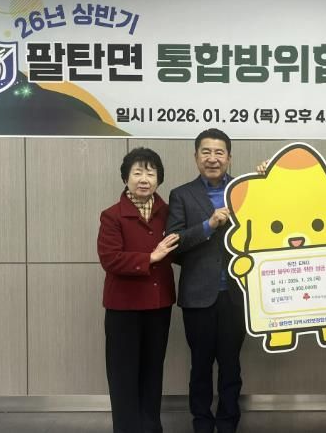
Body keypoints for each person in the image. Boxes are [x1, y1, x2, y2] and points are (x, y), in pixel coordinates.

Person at [166, 128, 245, 433]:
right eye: (206, 152)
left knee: (231, 365)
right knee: (200, 365)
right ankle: (201, 422)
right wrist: (208, 225)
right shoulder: (181, 195)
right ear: (196, 156)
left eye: (219, 152)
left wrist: (268, 179)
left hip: (236, 296)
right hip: (198, 296)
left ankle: (227, 423)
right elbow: (173, 244)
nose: (213, 158)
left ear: (229, 157)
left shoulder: (245, 190)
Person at [97, 147, 179, 433]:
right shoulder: (111, 216)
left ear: (159, 179)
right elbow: (110, 259)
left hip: (158, 306)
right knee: (123, 375)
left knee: (152, 372)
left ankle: (151, 427)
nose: (144, 179)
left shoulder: (168, 213)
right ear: (126, 178)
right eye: (137, 172)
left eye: (151, 173)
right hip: (123, 308)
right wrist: (150, 258)